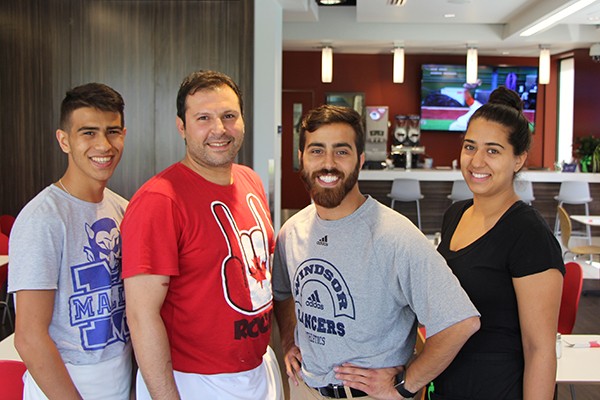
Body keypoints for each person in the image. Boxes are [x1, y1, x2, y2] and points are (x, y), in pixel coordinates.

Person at [272, 104, 481, 400]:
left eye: (341, 151)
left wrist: (406, 384)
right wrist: (287, 340)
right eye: (316, 150)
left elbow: (461, 321)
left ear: (360, 160)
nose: (328, 163)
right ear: (301, 159)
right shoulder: (291, 231)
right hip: (304, 389)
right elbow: (282, 292)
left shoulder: (395, 236)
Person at [121, 70, 282, 400]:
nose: (219, 129)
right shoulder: (159, 201)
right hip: (195, 381)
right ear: (182, 127)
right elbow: (141, 315)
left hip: (256, 368)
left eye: (228, 116)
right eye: (203, 118)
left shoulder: (250, 181)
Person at [432, 86, 565, 400]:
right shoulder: (456, 214)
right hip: (448, 384)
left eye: (493, 150)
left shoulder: (528, 233)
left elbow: (540, 350)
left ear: (518, 159)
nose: (477, 161)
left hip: (499, 389)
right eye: (469, 147)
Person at [8, 83, 131, 399]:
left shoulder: (124, 210)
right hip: (64, 382)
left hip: (119, 373)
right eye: (88, 133)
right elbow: (30, 338)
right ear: (64, 140)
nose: (103, 144)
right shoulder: (42, 218)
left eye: (112, 131)